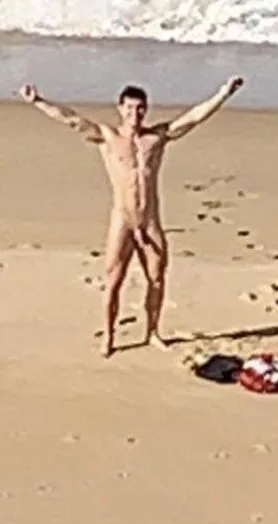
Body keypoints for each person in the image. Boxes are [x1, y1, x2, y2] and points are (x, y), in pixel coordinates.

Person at [19, 74, 244, 357]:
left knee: (157, 278)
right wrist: (39, 101)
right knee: (114, 280)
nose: (134, 114)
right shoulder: (107, 137)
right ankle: (109, 335)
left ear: (145, 110)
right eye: (129, 108)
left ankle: (153, 332)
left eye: (139, 109)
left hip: (150, 220)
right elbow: (72, 120)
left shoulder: (156, 138)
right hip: (123, 220)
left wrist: (224, 93)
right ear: (120, 108)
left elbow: (193, 118)